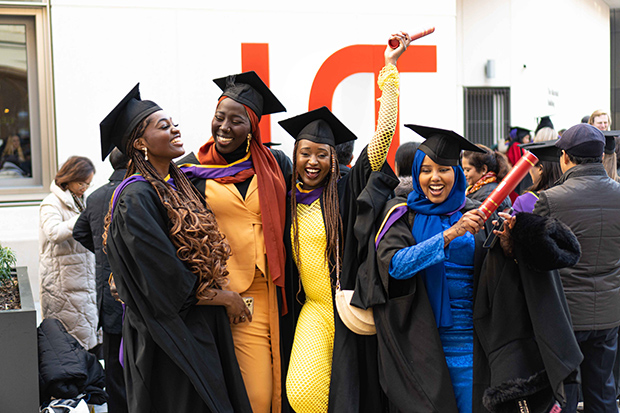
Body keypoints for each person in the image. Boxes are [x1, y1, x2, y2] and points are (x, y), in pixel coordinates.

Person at [374, 126, 582, 413]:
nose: (434, 178)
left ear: (457, 173)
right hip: (421, 343)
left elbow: (499, 271)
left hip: (476, 343)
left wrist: (508, 245)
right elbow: (396, 266)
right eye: (426, 170)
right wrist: (450, 235)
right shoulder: (401, 214)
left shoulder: (480, 212)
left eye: (444, 169)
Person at [101, 84, 251, 413]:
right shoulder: (136, 198)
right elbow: (165, 281)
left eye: (174, 123)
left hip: (194, 326)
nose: (175, 129)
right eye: (163, 126)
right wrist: (226, 297)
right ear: (139, 144)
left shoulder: (175, 184)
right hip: (167, 339)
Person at [280, 32, 409, 413]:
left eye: (322, 154)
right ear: (296, 155)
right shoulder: (285, 199)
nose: (313, 162)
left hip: (346, 306)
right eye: (306, 153)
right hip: (313, 308)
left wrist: (389, 69)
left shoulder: (345, 193)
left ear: (334, 159)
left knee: (349, 397)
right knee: (302, 392)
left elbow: (383, 137)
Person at [176, 71, 292, 413]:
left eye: (236, 120)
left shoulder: (273, 165)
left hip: (270, 289)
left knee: (272, 387)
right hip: (223, 292)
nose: (224, 127)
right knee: (239, 394)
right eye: (219, 118)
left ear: (252, 127)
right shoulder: (189, 173)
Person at [532, 123, 620, 413]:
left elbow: (537, 256)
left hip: (565, 313)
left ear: (566, 157)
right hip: (609, 311)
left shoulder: (551, 199)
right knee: (603, 388)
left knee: (564, 390)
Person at [73, 147, 129, 413]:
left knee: (114, 363)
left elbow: (79, 231)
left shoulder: (94, 197)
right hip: (137, 291)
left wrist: (102, 250)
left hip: (107, 290)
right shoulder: (139, 191)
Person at [39, 155, 98, 351]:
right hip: (62, 283)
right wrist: (82, 219)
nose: (84, 188)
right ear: (69, 177)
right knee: (67, 343)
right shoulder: (51, 203)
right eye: (81, 183)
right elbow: (54, 233)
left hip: (82, 279)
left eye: (88, 184)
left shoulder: (80, 200)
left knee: (87, 338)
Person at [511, 140, 562, 213]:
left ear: (540, 169)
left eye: (530, 167)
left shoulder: (524, 201)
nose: (529, 171)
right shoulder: (569, 197)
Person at [461, 144, 511, 212]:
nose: (464, 174)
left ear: (483, 169)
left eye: (468, 170)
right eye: (463, 170)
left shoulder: (488, 194)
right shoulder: (481, 189)